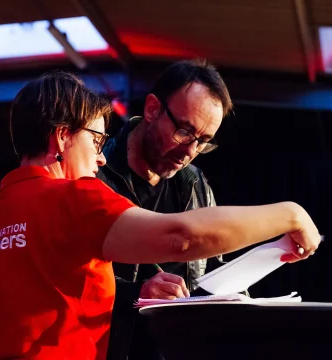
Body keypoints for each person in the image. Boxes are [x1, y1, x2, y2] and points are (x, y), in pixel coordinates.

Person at [0, 71, 321, 360]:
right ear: (62, 137)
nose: (101, 156)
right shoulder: (76, 198)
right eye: (97, 140)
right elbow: (179, 238)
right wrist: (291, 213)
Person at [97, 59, 236, 360]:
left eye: (203, 142)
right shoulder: (95, 177)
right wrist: (137, 293)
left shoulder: (194, 183)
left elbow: (213, 270)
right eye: (184, 132)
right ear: (152, 109)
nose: (189, 152)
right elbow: (68, 281)